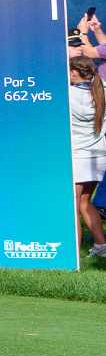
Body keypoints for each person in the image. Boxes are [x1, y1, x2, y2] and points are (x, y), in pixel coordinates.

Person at [70, 56, 106, 257]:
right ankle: (101, 246)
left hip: (78, 157)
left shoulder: (67, 94)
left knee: (73, 205)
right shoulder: (102, 89)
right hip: (99, 156)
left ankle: (73, 252)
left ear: (74, 72)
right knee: (85, 202)